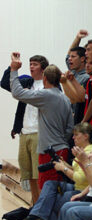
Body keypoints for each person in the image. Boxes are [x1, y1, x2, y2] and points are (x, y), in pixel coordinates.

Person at [16, 123, 92, 220]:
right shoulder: (82, 151)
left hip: (84, 191)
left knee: (54, 200)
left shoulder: (90, 152)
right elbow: (78, 172)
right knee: (50, 184)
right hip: (78, 187)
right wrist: (65, 164)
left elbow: (81, 178)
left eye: (76, 135)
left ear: (86, 136)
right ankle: (37, 216)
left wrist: (63, 168)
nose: (73, 138)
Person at [9, 53, 73, 190]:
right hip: (62, 148)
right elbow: (69, 128)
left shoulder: (45, 94)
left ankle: (40, 211)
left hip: (48, 148)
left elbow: (17, 93)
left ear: (44, 78)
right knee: (56, 188)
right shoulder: (66, 99)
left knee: (46, 187)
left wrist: (13, 70)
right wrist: (61, 141)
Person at [1, 54, 49, 204]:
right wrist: (12, 66)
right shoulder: (27, 81)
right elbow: (5, 83)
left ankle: (41, 209)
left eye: (34, 64)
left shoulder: (49, 85)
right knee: (29, 175)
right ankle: (34, 206)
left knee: (38, 174)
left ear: (43, 68)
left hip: (39, 133)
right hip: (24, 132)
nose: (31, 67)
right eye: (30, 64)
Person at [64, 29, 90, 124]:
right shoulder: (73, 71)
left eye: (73, 57)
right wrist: (78, 38)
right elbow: (67, 56)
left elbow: (82, 99)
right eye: (70, 57)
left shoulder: (87, 77)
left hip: (79, 118)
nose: (70, 59)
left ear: (83, 59)